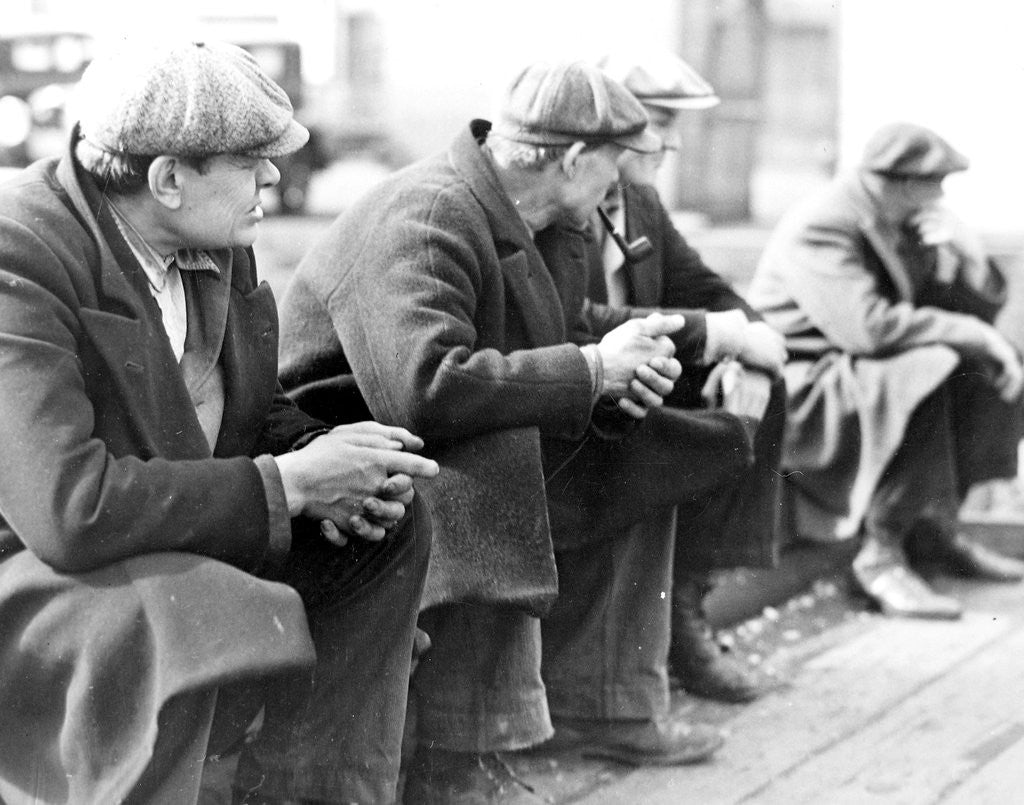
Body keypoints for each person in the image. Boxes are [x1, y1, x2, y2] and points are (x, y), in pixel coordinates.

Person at [278, 61, 732, 803]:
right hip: (340, 445)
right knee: (496, 458)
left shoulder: (546, 219)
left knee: (652, 448)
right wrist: (589, 372)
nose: (619, 186)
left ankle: (605, 703)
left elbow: (555, 338)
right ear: (575, 159)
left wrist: (618, 383)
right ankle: (461, 761)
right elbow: (421, 388)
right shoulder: (426, 215)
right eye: (614, 164)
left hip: (428, 435)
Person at [0, 39, 438, 805]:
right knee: (197, 607)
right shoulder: (20, 253)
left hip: (153, 534)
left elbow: (242, 409)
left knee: (389, 522)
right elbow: (66, 508)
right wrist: (287, 485)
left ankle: (312, 794)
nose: (274, 174)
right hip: (32, 568)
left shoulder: (207, 234)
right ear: (168, 177)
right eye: (250, 159)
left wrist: (323, 454)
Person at [747, 121, 1024, 620]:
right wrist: (970, 333)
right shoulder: (825, 223)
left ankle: (931, 528)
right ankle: (880, 554)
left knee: (986, 365)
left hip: (858, 367)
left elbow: (952, 314)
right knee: (934, 366)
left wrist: (964, 258)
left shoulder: (897, 219)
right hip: (804, 378)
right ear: (892, 181)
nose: (939, 197)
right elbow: (867, 328)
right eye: (932, 184)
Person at [586, 50, 787, 702]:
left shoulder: (639, 203)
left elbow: (703, 285)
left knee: (760, 385)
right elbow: (576, 318)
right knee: (709, 407)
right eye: (657, 122)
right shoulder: (561, 203)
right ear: (606, 124)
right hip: (578, 389)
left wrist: (749, 339)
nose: (671, 142)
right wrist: (719, 334)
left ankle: (688, 603)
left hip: (632, 376)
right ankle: (662, 632)